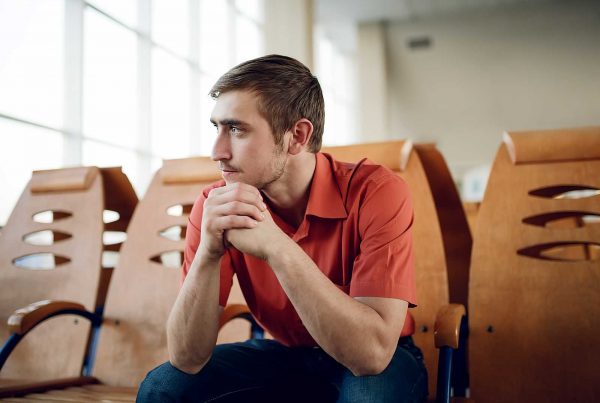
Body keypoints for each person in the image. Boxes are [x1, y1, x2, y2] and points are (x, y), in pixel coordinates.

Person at [137, 54, 427, 403]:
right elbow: (187, 358)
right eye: (217, 128)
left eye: (237, 129)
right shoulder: (217, 204)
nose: (217, 151)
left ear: (297, 136)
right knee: (163, 387)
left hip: (380, 358)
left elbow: (371, 355)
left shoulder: (377, 192)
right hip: (288, 355)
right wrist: (209, 252)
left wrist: (277, 247)